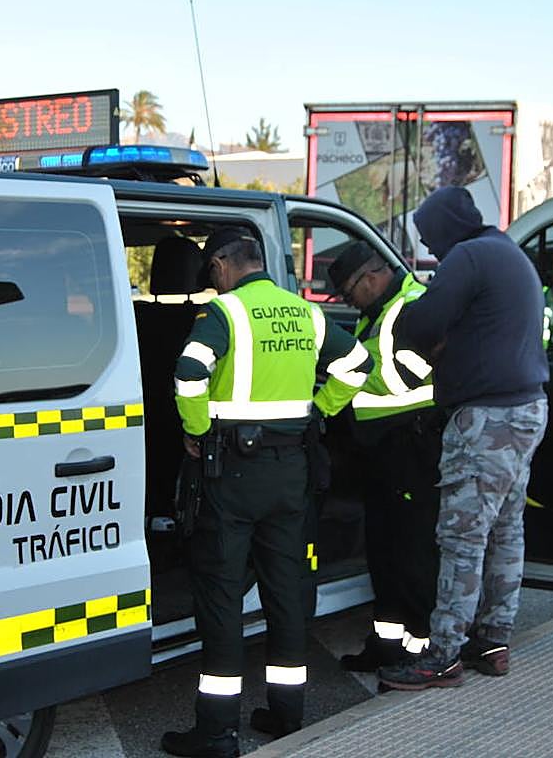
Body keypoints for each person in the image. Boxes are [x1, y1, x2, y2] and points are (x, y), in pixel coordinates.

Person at [162, 227, 372, 757]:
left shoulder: (224, 313)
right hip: (291, 473)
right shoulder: (305, 313)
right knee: (286, 594)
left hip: (231, 476)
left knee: (222, 597)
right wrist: (319, 411)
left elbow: (189, 372)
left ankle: (216, 733)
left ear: (221, 266)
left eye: (211, 272)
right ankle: (286, 715)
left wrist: (195, 430)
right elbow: (358, 365)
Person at [379, 185, 549, 691]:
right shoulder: (508, 254)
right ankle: (493, 641)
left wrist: (417, 328)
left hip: (486, 420)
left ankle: (443, 655)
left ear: (446, 228)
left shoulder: (468, 257)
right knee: (505, 530)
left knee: (462, 538)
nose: (429, 248)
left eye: (429, 236)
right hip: (526, 409)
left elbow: (420, 322)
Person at [326, 242, 443, 670]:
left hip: (411, 447)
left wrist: (341, 373)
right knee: (384, 551)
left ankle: (421, 648)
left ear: (372, 277)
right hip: (383, 450)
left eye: (349, 293)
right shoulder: (379, 312)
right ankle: (387, 644)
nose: (349, 302)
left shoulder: (413, 308)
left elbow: (402, 377)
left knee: (413, 551)